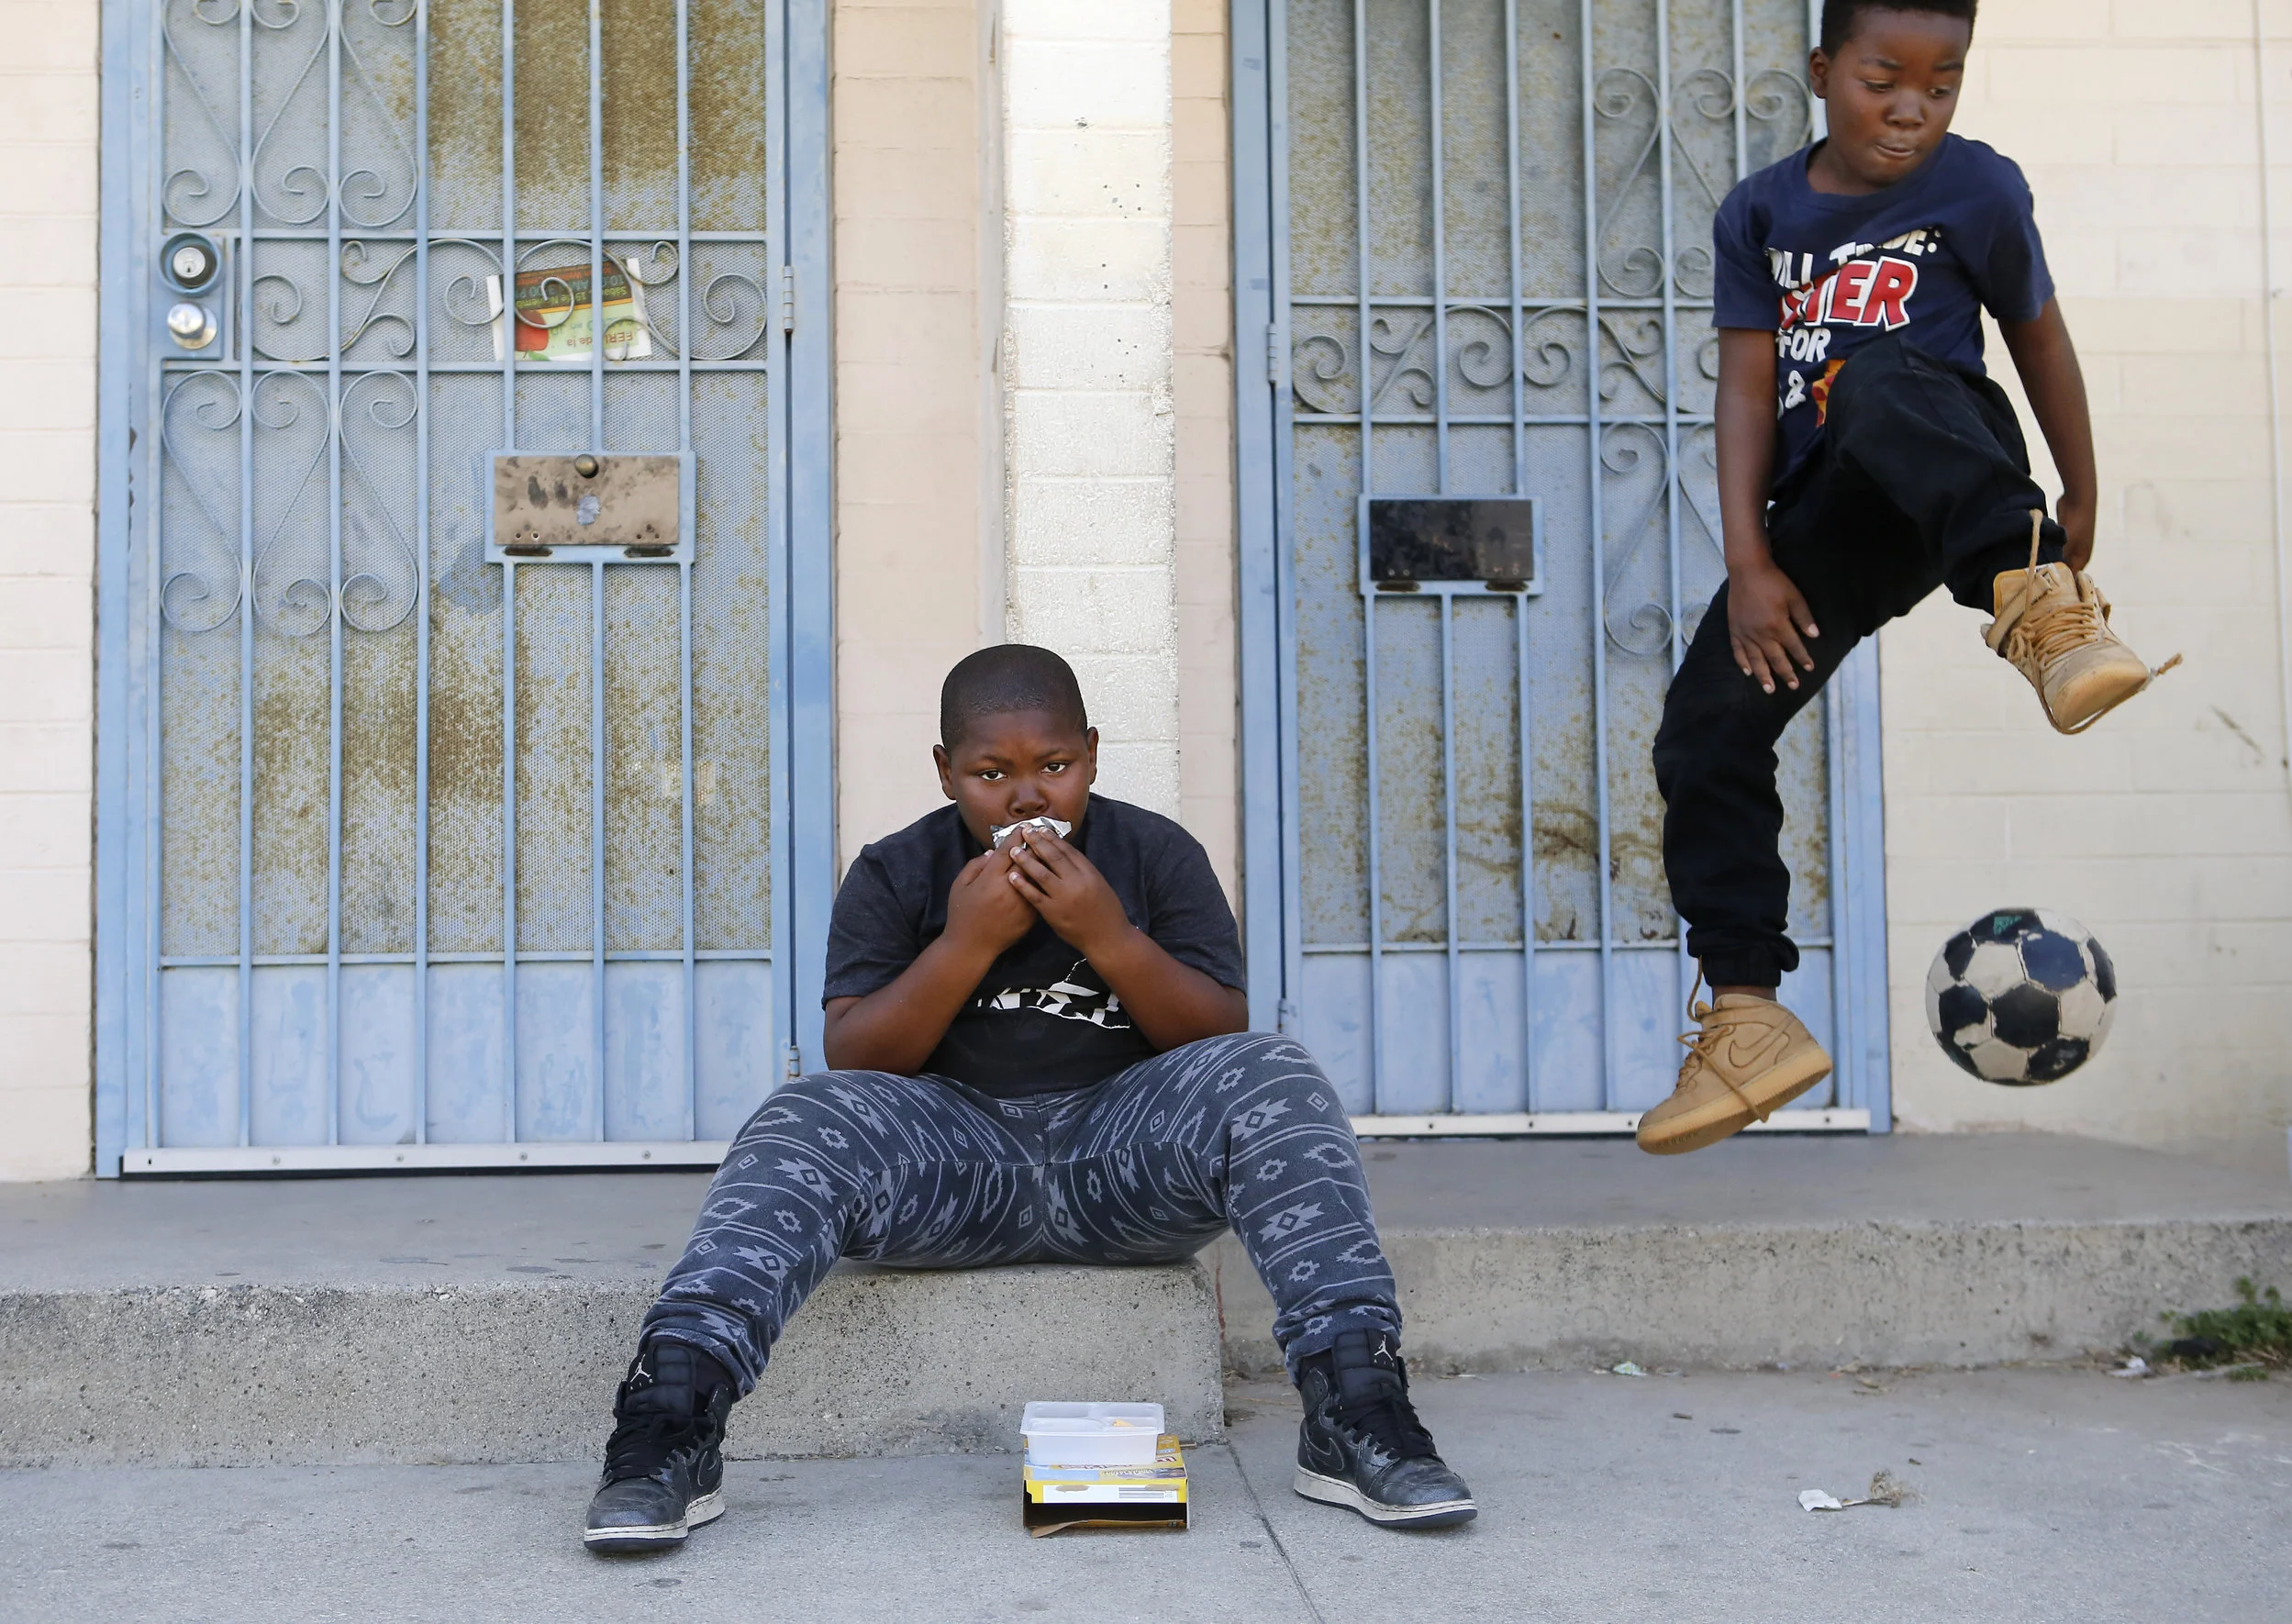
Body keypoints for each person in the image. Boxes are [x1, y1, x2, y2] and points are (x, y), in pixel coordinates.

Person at [583, 645, 1475, 1551]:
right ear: (943, 772)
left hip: (1123, 1164)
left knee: (1277, 1074)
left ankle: (1355, 1406)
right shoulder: (897, 871)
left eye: (1055, 767)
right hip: (957, 1166)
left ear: (1090, 752)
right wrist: (965, 944)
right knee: (798, 1114)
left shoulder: (1155, 853)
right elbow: (855, 1055)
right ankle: (670, 1422)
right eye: (990, 773)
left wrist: (1108, 935)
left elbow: (1218, 1035)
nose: (1027, 799)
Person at [1639, 0, 2173, 1156]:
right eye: (1886, 79)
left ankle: (2038, 607)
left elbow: (2038, 337)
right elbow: (1744, 387)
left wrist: (2077, 499)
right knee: (1702, 728)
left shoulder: (1976, 190)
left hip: (1946, 453)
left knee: (1877, 376)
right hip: (1832, 512)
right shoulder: (1762, 212)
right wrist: (1749, 560)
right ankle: (1746, 1016)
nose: (1912, 109)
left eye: (1943, 83)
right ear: (1826, 70)